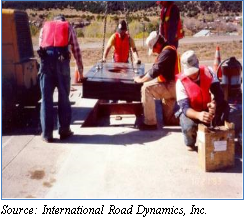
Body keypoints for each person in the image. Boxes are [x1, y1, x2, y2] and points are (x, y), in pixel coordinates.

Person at [38, 15, 83, 142]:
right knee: (63, 97)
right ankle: (64, 130)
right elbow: (76, 49)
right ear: (63, 21)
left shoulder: (44, 28)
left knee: (46, 98)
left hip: (45, 61)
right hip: (61, 62)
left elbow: (41, 46)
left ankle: (47, 134)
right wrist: (80, 70)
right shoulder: (68, 27)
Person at [175, 50, 229, 151]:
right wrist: (198, 115)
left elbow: (218, 93)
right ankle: (190, 141)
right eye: (190, 72)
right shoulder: (180, 82)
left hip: (206, 108)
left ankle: (219, 132)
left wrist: (214, 104)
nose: (193, 75)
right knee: (189, 127)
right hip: (192, 111)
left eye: (194, 71)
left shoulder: (208, 72)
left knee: (226, 107)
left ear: (198, 62)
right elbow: (185, 107)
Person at [134, 31, 180, 130]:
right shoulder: (167, 50)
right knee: (168, 120)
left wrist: (141, 81)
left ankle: (150, 123)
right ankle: (191, 120)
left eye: (154, 48)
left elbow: (155, 71)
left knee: (146, 88)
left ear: (158, 44)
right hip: (173, 86)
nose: (154, 51)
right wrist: (142, 76)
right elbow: (154, 69)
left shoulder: (167, 52)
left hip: (171, 86)